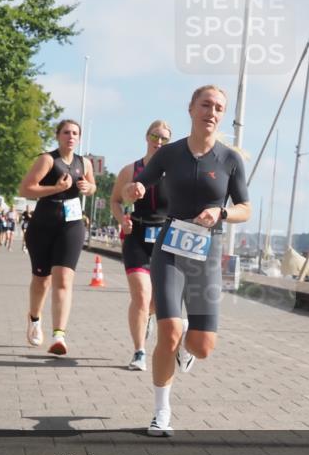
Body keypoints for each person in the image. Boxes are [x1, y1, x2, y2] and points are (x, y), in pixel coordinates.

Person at [123, 85, 250, 436]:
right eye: (206, 105)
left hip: (207, 254)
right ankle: (161, 412)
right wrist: (132, 191)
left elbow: (245, 209)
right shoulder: (170, 154)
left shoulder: (229, 159)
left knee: (202, 346)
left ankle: (185, 351)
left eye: (219, 107)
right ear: (191, 109)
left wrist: (221, 212)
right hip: (171, 249)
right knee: (169, 330)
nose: (212, 111)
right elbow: (137, 186)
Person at [18, 120, 95, 355]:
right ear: (58, 136)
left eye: (75, 133)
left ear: (79, 138)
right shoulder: (48, 160)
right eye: (66, 132)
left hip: (72, 224)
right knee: (42, 280)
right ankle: (34, 319)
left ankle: (58, 335)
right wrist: (55, 189)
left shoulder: (85, 162)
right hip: (44, 224)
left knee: (63, 279)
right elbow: (26, 189)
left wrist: (87, 188)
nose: (70, 136)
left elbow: (93, 187)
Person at [110, 119, 172, 371]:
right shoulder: (131, 170)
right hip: (136, 235)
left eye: (164, 138)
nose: (158, 142)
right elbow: (115, 200)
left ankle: (147, 317)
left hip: (165, 238)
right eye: (155, 136)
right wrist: (121, 219)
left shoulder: (175, 172)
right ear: (146, 137)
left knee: (155, 301)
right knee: (141, 294)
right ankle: (139, 352)